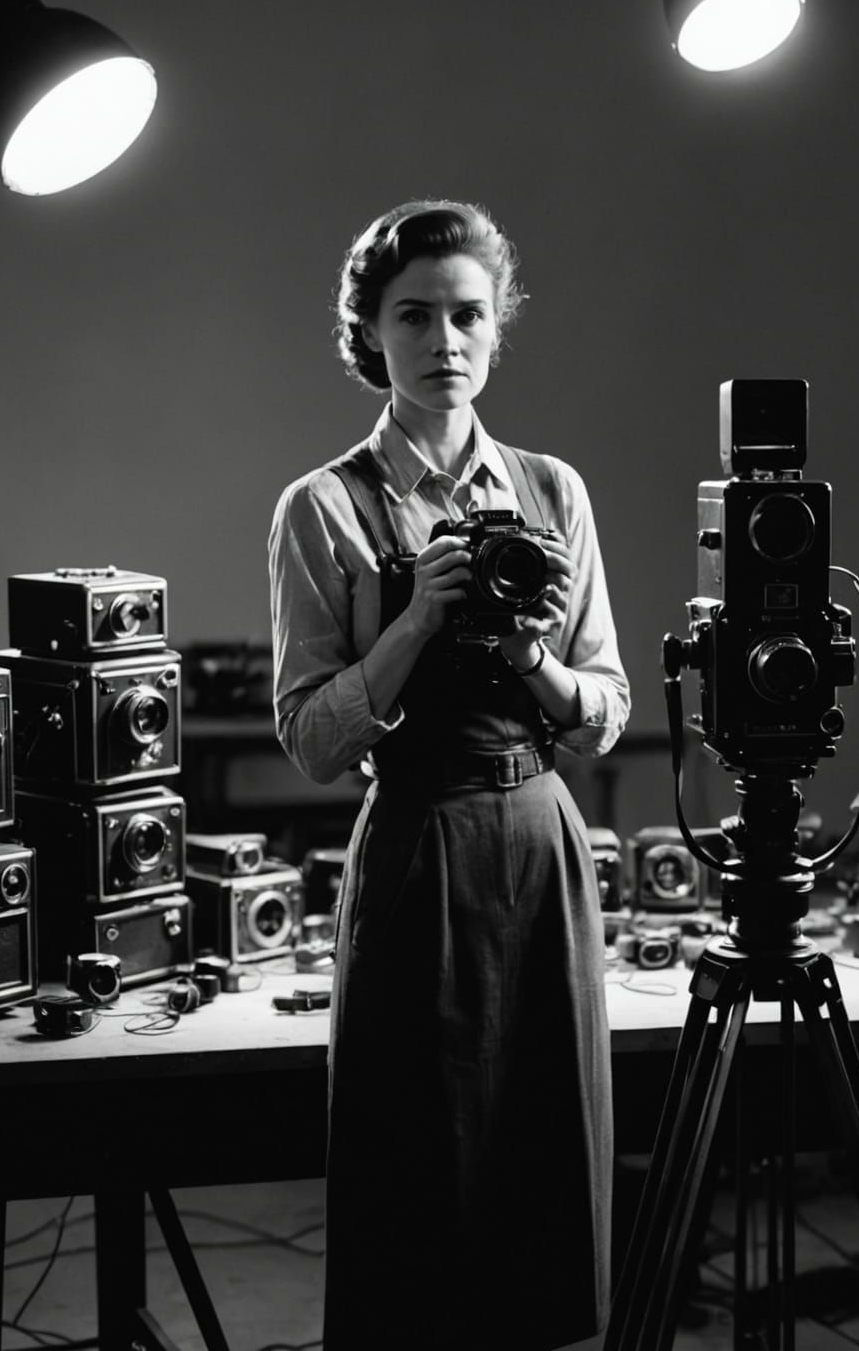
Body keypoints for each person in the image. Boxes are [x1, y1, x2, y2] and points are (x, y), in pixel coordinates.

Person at [268, 199, 631, 1351]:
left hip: (539, 836)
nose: (444, 342)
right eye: (414, 315)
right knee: (413, 1168)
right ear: (369, 332)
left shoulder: (553, 493)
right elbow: (315, 742)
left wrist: (529, 652)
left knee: (546, 1154)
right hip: (418, 840)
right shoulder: (321, 507)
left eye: (468, 315)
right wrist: (418, 620)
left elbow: (607, 713)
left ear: (496, 327)